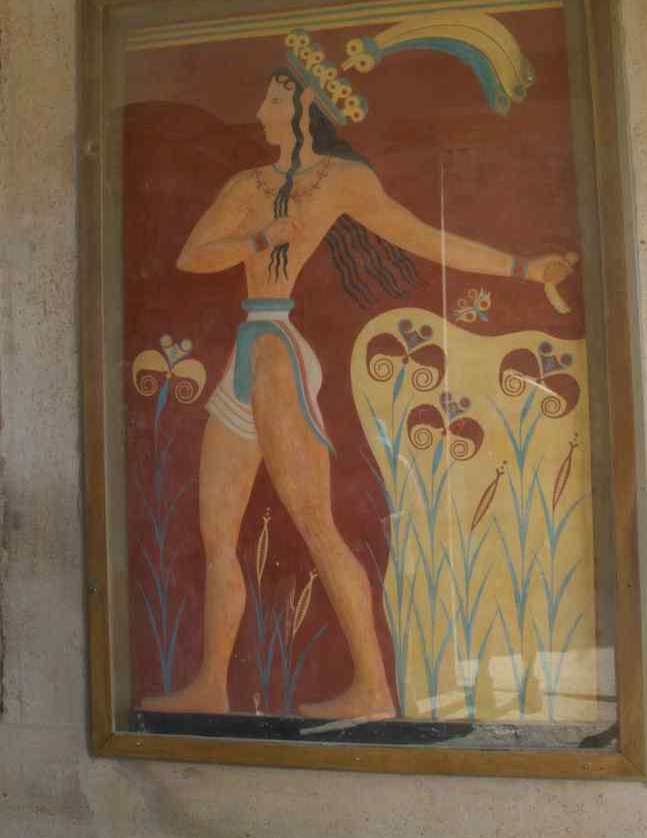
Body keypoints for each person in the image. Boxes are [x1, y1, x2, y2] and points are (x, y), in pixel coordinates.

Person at [141, 68, 576, 719]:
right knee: (215, 533)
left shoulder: (341, 181)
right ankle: (211, 685)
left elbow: (421, 237)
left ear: (304, 105)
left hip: (279, 356)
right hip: (246, 350)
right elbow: (193, 255)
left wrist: (522, 267)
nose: (259, 108)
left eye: (274, 97)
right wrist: (257, 238)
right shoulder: (246, 186)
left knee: (316, 525)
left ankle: (373, 687)